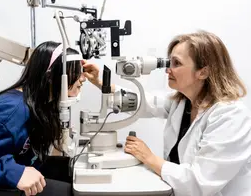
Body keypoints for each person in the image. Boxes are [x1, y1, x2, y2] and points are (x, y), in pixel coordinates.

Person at [82, 31, 251, 196]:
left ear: (203, 72)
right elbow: (144, 102)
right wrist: (100, 83)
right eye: (169, 63)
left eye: (176, 63)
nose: (168, 70)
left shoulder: (231, 117)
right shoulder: (183, 103)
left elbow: (199, 183)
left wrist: (149, 158)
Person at [0, 41, 86, 196]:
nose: (82, 79)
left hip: (22, 169)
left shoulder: (40, 105)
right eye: (75, 73)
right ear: (50, 77)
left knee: (78, 175)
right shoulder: (11, 112)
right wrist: (12, 172)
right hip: (1, 183)